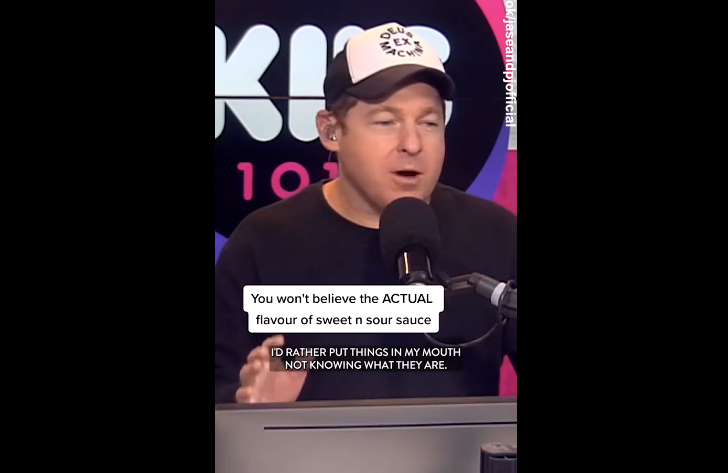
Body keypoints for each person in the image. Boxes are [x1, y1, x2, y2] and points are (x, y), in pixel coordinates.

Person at [214, 22, 517, 404]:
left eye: (429, 123)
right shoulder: (264, 242)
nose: (412, 144)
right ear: (331, 131)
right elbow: (224, 389)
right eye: (386, 122)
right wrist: (249, 408)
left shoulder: (496, 235)